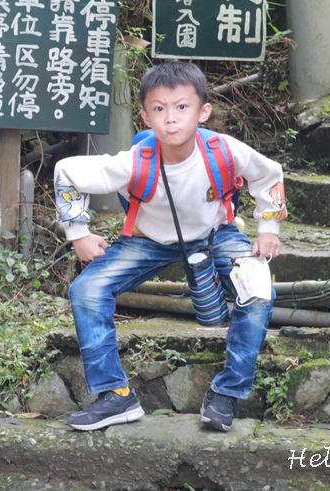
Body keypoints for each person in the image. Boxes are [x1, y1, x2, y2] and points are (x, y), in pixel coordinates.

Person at [53, 61, 286, 432]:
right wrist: (78, 232)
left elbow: (268, 174)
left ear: (203, 111)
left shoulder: (223, 150)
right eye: (159, 109)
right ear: (146, 117)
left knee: (258, 289)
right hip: (148, 241)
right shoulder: (134, 162)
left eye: (181, 107)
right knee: (87, 289)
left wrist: (268, 228)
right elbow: (67, 171)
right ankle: (116, 395)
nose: (171, 118)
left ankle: (226, 393)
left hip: (217, 235)